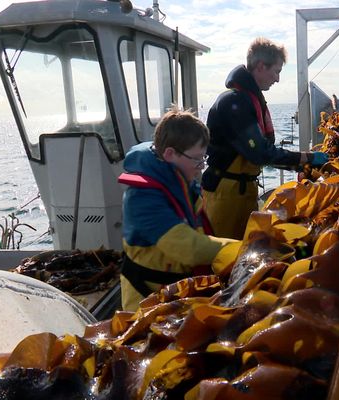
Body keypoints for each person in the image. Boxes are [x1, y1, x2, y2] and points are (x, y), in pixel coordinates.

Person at [201, 37, 328, 240]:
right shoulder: (234, 102)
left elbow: (260, 152)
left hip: (243, 190)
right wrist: (307, 158)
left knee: (244, 249)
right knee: (223, 257)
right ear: (261, 66)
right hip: (226, 194)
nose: (277, 79)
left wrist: (298, 166)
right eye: (276, 71)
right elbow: (260, 153)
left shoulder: (249, 99)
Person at [118, 108, 235, 311]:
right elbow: (188, 248)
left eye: (203, 159)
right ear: (170, 153)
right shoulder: (142, 199)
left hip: (175, 295)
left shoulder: (181, 181)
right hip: (146, 303)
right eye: (197, 159)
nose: (201, 166)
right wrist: (246, 249)